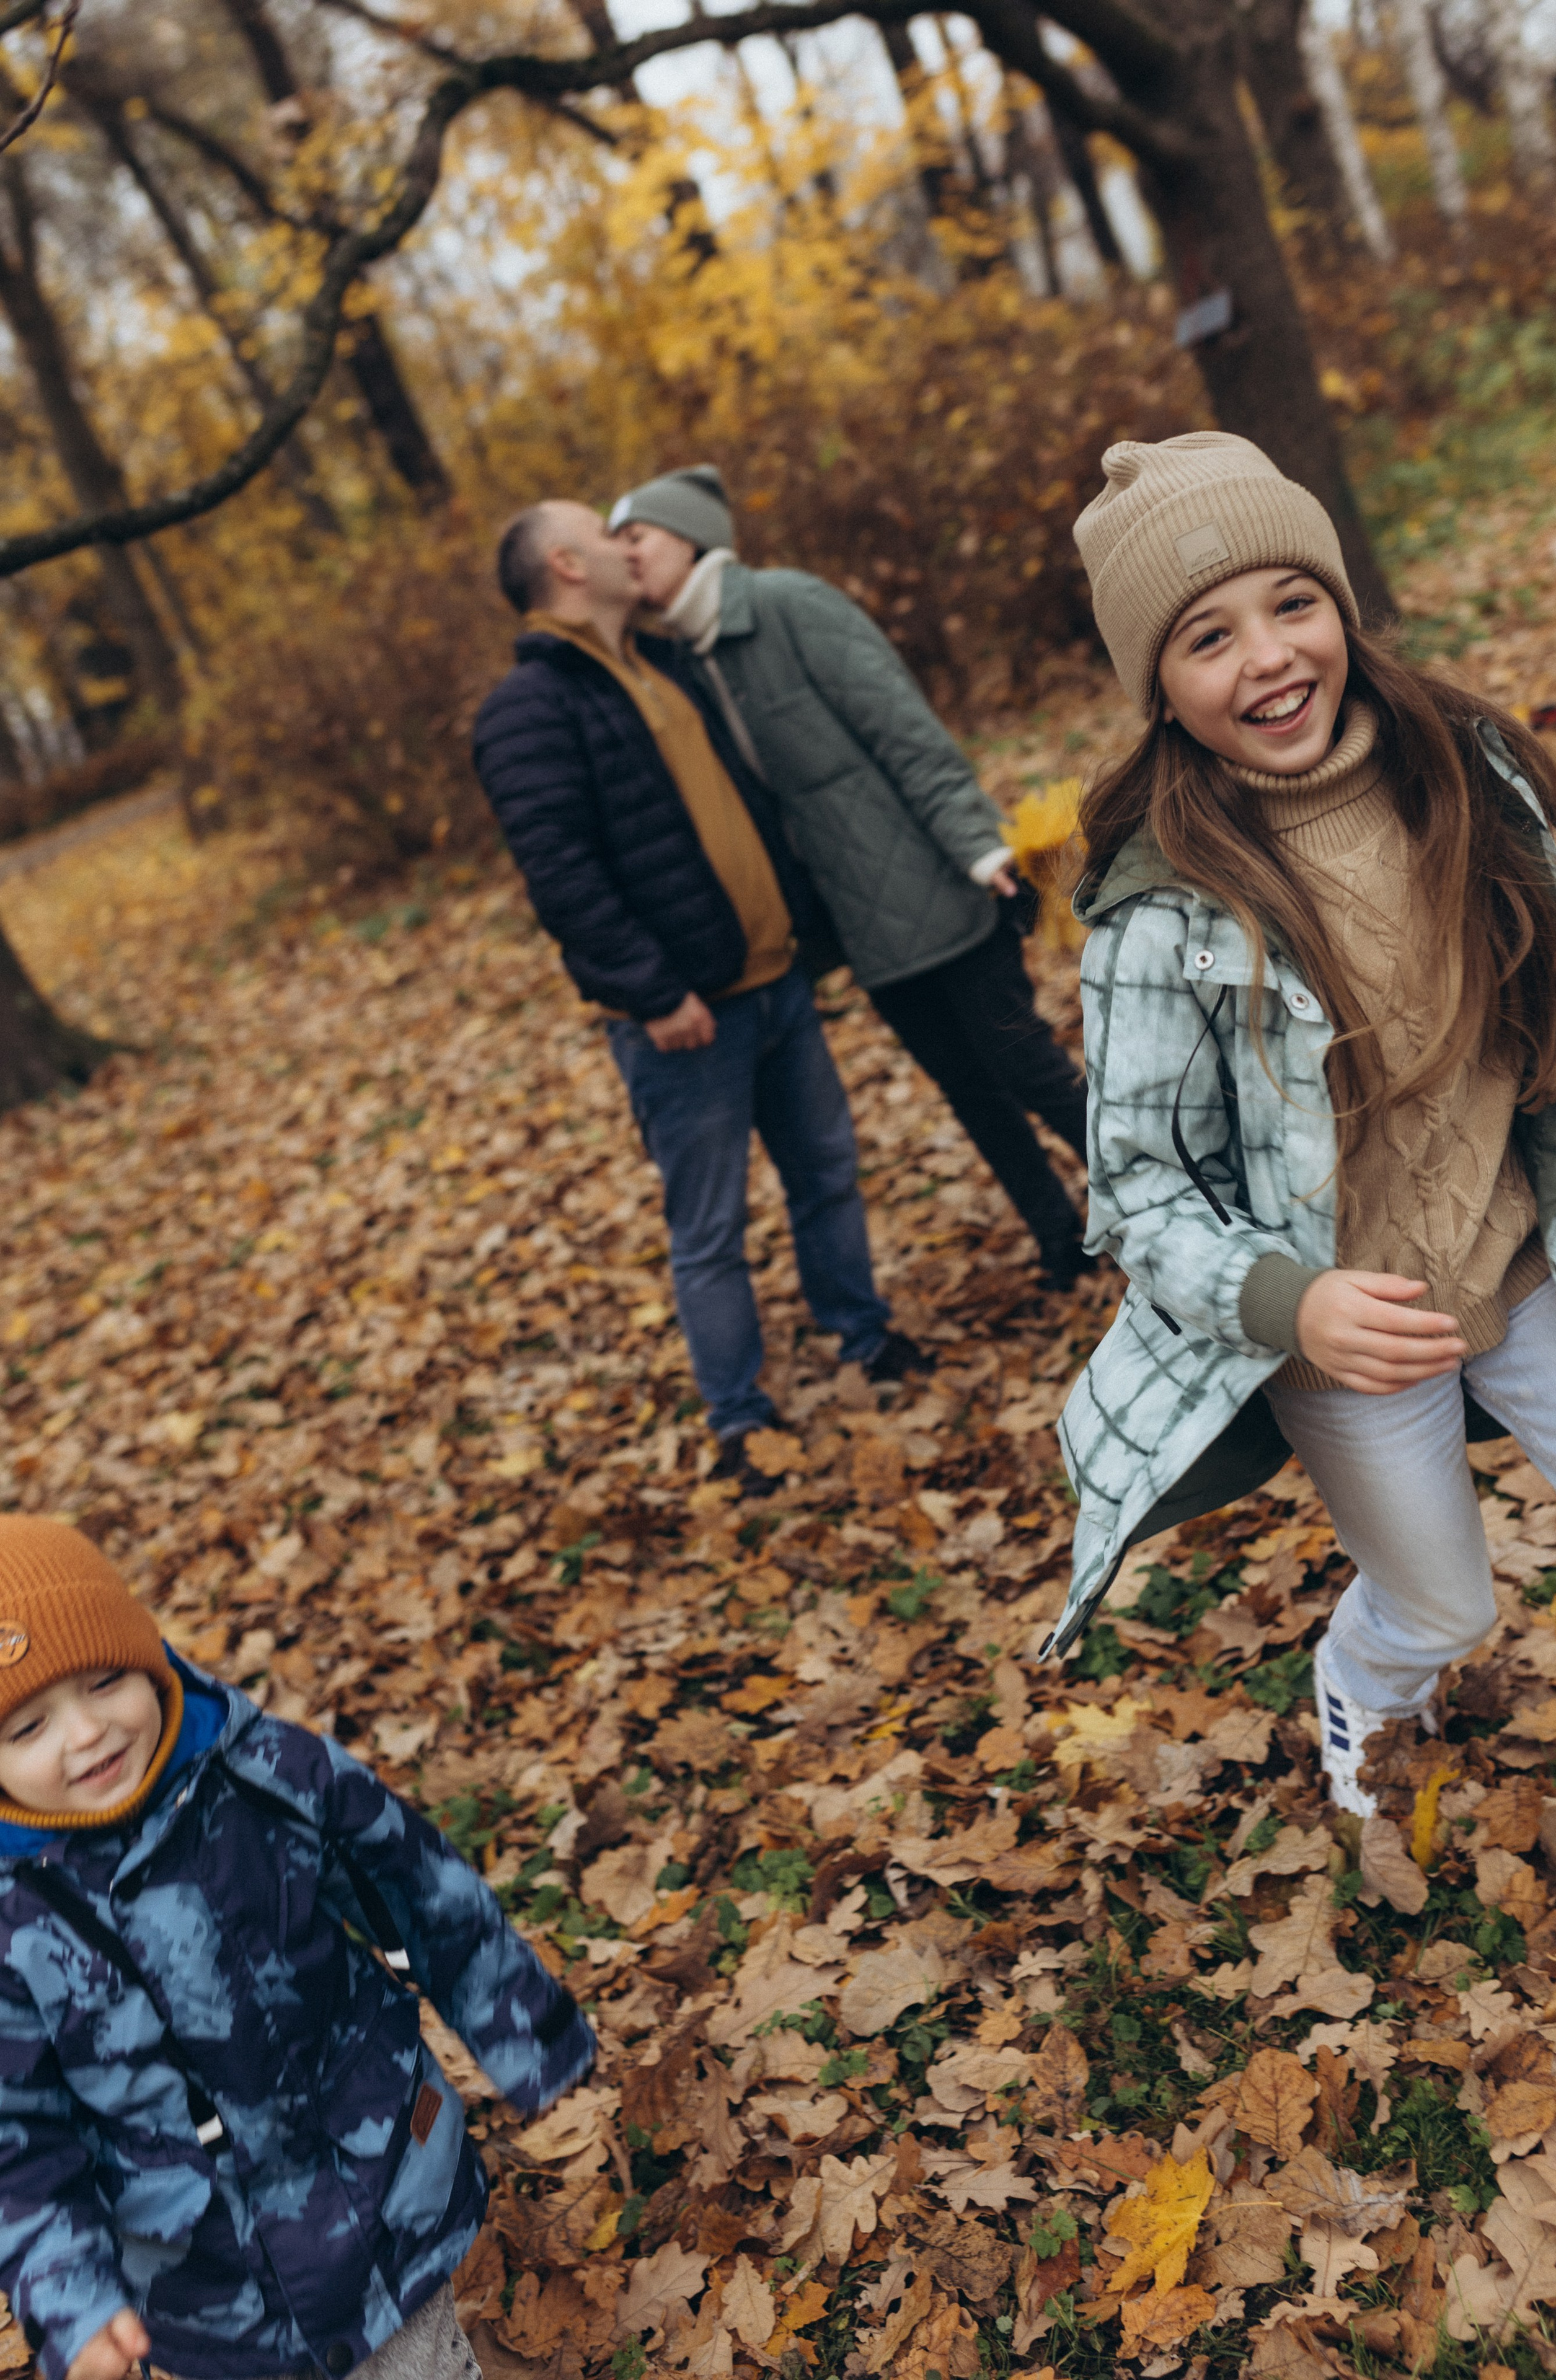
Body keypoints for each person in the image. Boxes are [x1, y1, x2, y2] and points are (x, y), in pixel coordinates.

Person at [1038, 431, 1556, 1817]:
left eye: (1291, 603)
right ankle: (1359, 1683)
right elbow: (1134, 1190)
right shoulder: (1159, 914)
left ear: (1338, 606)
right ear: (1156, 688)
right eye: (1205, 637)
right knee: (1445, 1606)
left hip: (1524, 1258)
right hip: (1346, 1339)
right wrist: (1292, 1304)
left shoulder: (1466, 777)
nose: (1268, 657)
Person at [0, 1514, 595, 2380]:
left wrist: (529, 2034)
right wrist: (73, 2302)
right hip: (206, 2281)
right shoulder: (14, 1925)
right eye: (28, 1729)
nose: (86, 1733)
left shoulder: (264, 1773)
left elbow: (425, 1888)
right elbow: (17, 2140)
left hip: (381, 2190)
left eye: (103, 1682)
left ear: (148, 1655)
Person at [473, 501, 924, 1487]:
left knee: (827, 1173)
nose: (624, 541)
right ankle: (738, 1419)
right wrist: (651, 991)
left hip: (776, 981)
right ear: (564, 562)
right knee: (711, 1229)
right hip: (685, 1020)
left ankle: (864, 1334)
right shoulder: (527, 710)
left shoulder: (660, 663)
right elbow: (561, 875)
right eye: (603, 530)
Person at [609, 465, 1096, 1292]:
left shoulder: (789, 605)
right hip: (861, 930)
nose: (623, 557)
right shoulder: (684, 662)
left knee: (1030, 1073)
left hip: (941, 894)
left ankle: (1172, 1203)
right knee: (970, 1095)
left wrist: (980, 849)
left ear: (691, 538)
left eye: (636, 538)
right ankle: (1061, 1243)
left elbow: (901, 728)